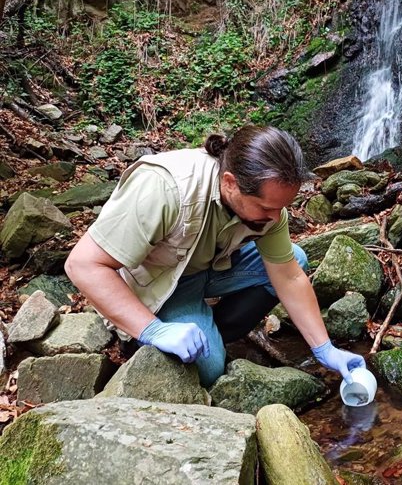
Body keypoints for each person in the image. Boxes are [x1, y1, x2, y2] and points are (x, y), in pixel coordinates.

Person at [65, 125, 365, 387]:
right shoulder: (165, 187)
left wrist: (325, 350)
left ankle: (211, 335)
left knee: (295, 258)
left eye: (281, 207)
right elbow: (84, 264)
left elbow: (288, 275)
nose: (276, 218)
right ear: (230, 183)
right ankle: (188, 339)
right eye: (266, 209)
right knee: (208, 370)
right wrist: (153, 330)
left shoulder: (268, 207)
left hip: (208, 269)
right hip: (160, 282)